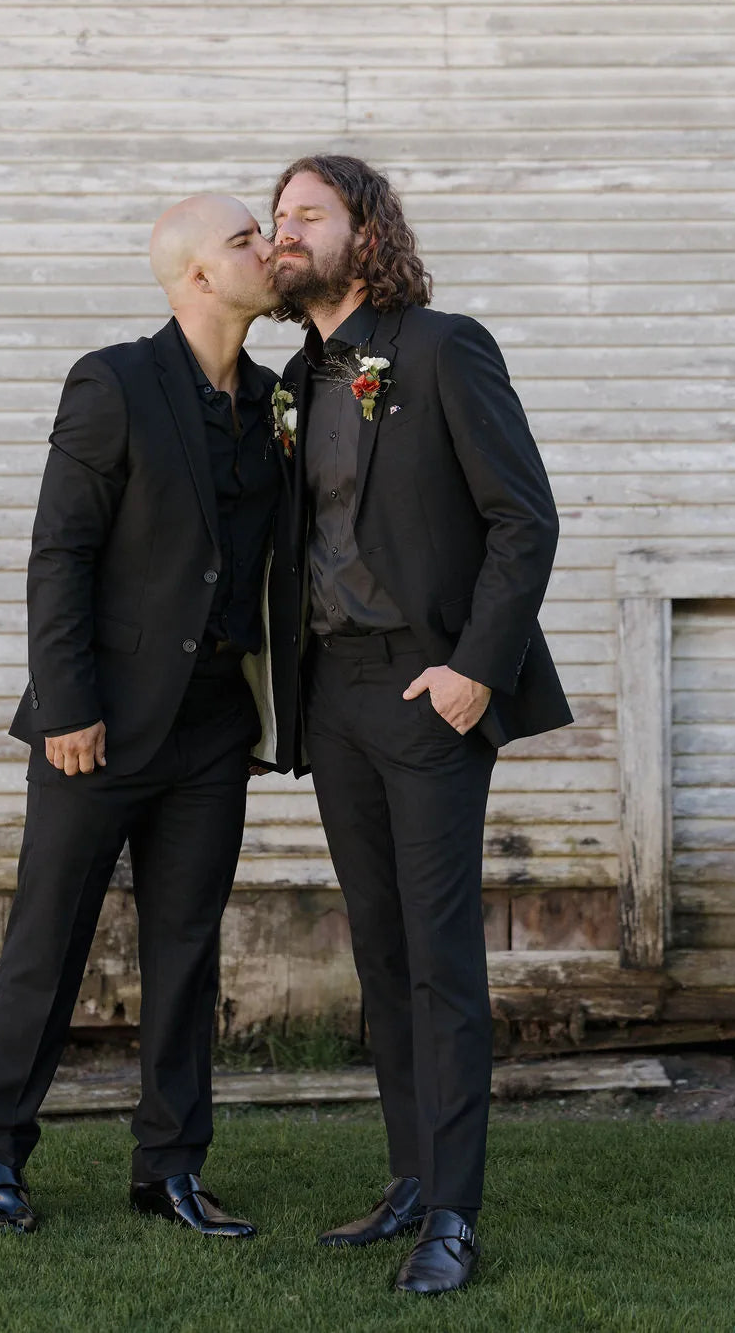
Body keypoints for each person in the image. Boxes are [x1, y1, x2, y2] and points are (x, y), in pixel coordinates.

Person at [0, 194, 298, 1238]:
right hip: (95, 728)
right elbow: (58, 552)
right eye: (247, 238)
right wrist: (68, 704)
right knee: (47, 941)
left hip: (211, 728)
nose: (268, 247)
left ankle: (169, 1168)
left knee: (188, 950)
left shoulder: (281, 396)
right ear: (198, 276)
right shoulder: (112, 381)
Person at [271, 154, 572, 1296]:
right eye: (277, 214)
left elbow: (522, 517)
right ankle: (409, 1174)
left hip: (425, 687)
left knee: (442, 958)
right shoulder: (297, 372)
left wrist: (471, 673)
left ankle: (452, 1214)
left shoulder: (445, 348)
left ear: (366, 229)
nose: (286, 229)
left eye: (309, 212)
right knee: (382, 948)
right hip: (333, 696)